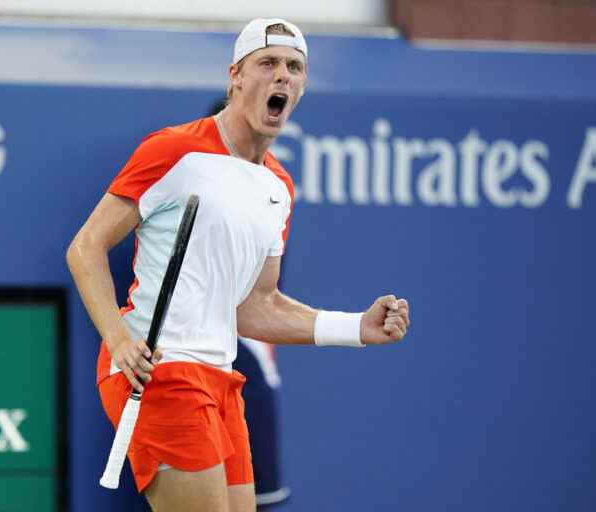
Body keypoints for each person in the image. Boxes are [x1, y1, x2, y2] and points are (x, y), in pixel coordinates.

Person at [67, 18, 411, 512]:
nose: (282, 77)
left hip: (219, 376)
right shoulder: (173, 150)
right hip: (161, 369)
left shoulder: (279, 188)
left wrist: (356, 327)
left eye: (294, 68)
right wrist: (119, 341)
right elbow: (85, 247)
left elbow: (256, 308)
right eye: (267, 63)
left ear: (302, 87)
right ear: (235, 76)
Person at [207, 97, 291, 509]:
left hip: (249, 371)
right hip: (190, 373)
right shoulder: (181, 190)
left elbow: (262, 303)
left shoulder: (274, 195)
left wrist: (350, 329)